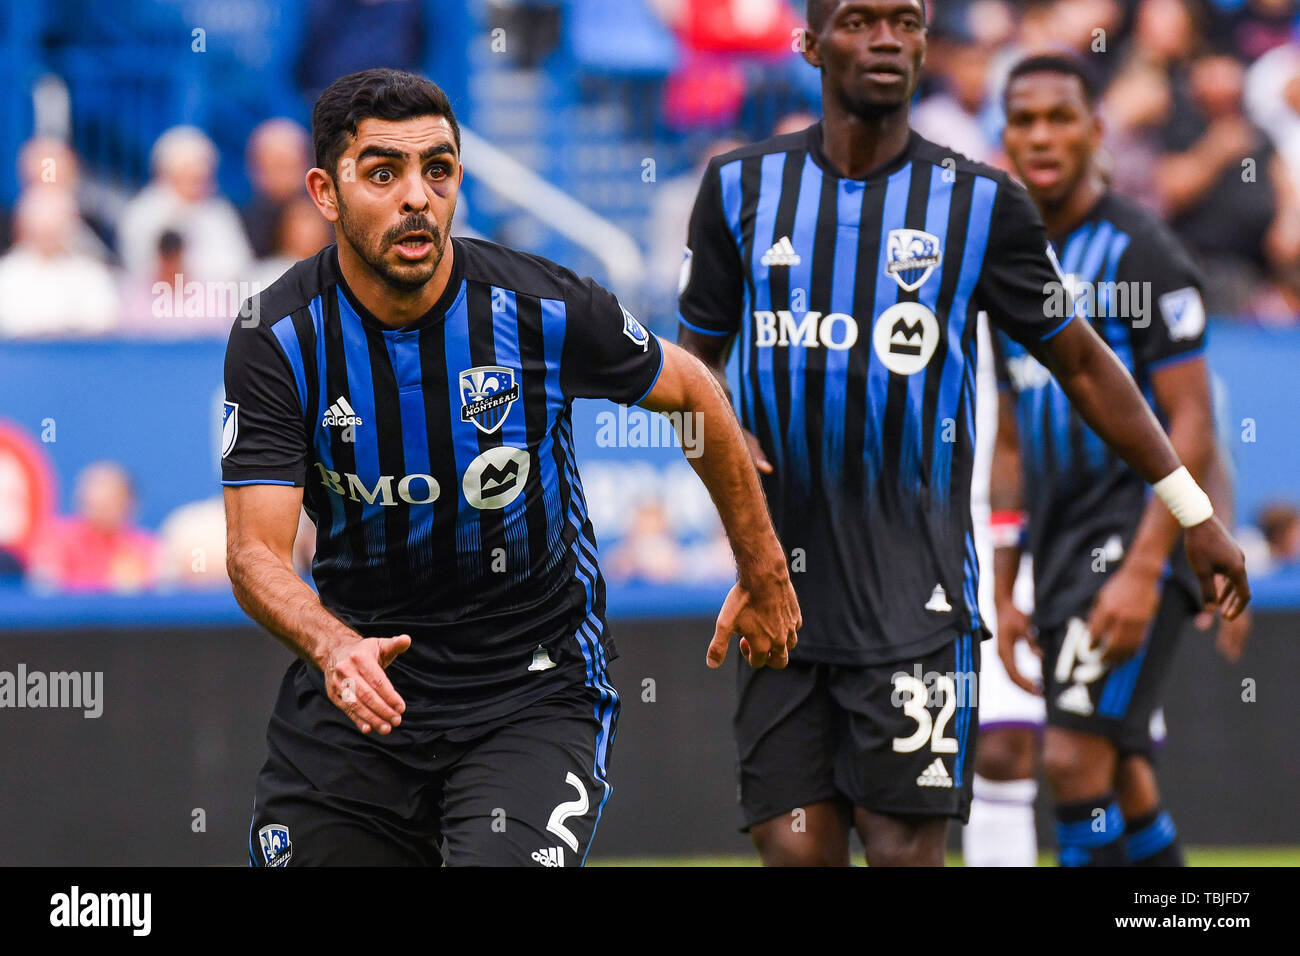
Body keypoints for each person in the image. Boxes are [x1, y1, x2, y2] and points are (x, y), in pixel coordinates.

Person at [675, 0, 1249, 867]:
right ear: (808, 43)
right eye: (861, 20)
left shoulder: (982, 206)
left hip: (920, 601)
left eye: (905, 21)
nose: (886, 40)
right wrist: (729, 461)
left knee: (910, 852)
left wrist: (1192, 511)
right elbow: (689, 376)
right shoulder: (737, 189)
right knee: (795, 854)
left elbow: (1087, 366)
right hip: (781, 595)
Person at [222, 68, 800, 867]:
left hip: (531, 693)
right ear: (324, 191)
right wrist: (331, 645)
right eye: (383, 172)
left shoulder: (541, 308)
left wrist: (762, 566)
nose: (417, 196)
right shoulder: (277, 337)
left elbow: (694, 392)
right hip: (363, 698)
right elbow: (254, 551)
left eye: (439, 169)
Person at [985, 52, 1237, 867]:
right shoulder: (1008, 265)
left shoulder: (1143, 251)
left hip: (1136, 542)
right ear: (1006, 138)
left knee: (1069, 760)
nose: (1042, 135)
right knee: (1123, 771)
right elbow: (1015, 433)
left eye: (1061, 117)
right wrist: (1005, 579)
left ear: (1097, 133)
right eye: (1024, 120)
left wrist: (1141, 569)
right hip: (1055, 551)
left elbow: (1193, 424)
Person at [28, 461, 159, 593]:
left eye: (109, 500)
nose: (99, 503)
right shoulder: (56, 538)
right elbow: (46, 588)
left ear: (129, 502)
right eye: (93, 494)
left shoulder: (144, 547)